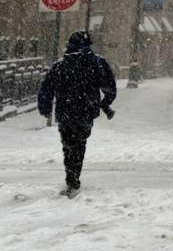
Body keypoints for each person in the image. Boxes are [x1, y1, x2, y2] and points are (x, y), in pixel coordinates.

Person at [37, 31, 117, 196]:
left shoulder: (60, 65)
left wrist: (45, 108)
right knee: (80, 144)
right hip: (86, 111)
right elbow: (109, 86)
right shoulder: (97, 62)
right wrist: (106, 102)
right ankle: (75, 176)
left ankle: (70, 176)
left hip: (65, 112)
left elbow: (46, 88)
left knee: (67, 146)